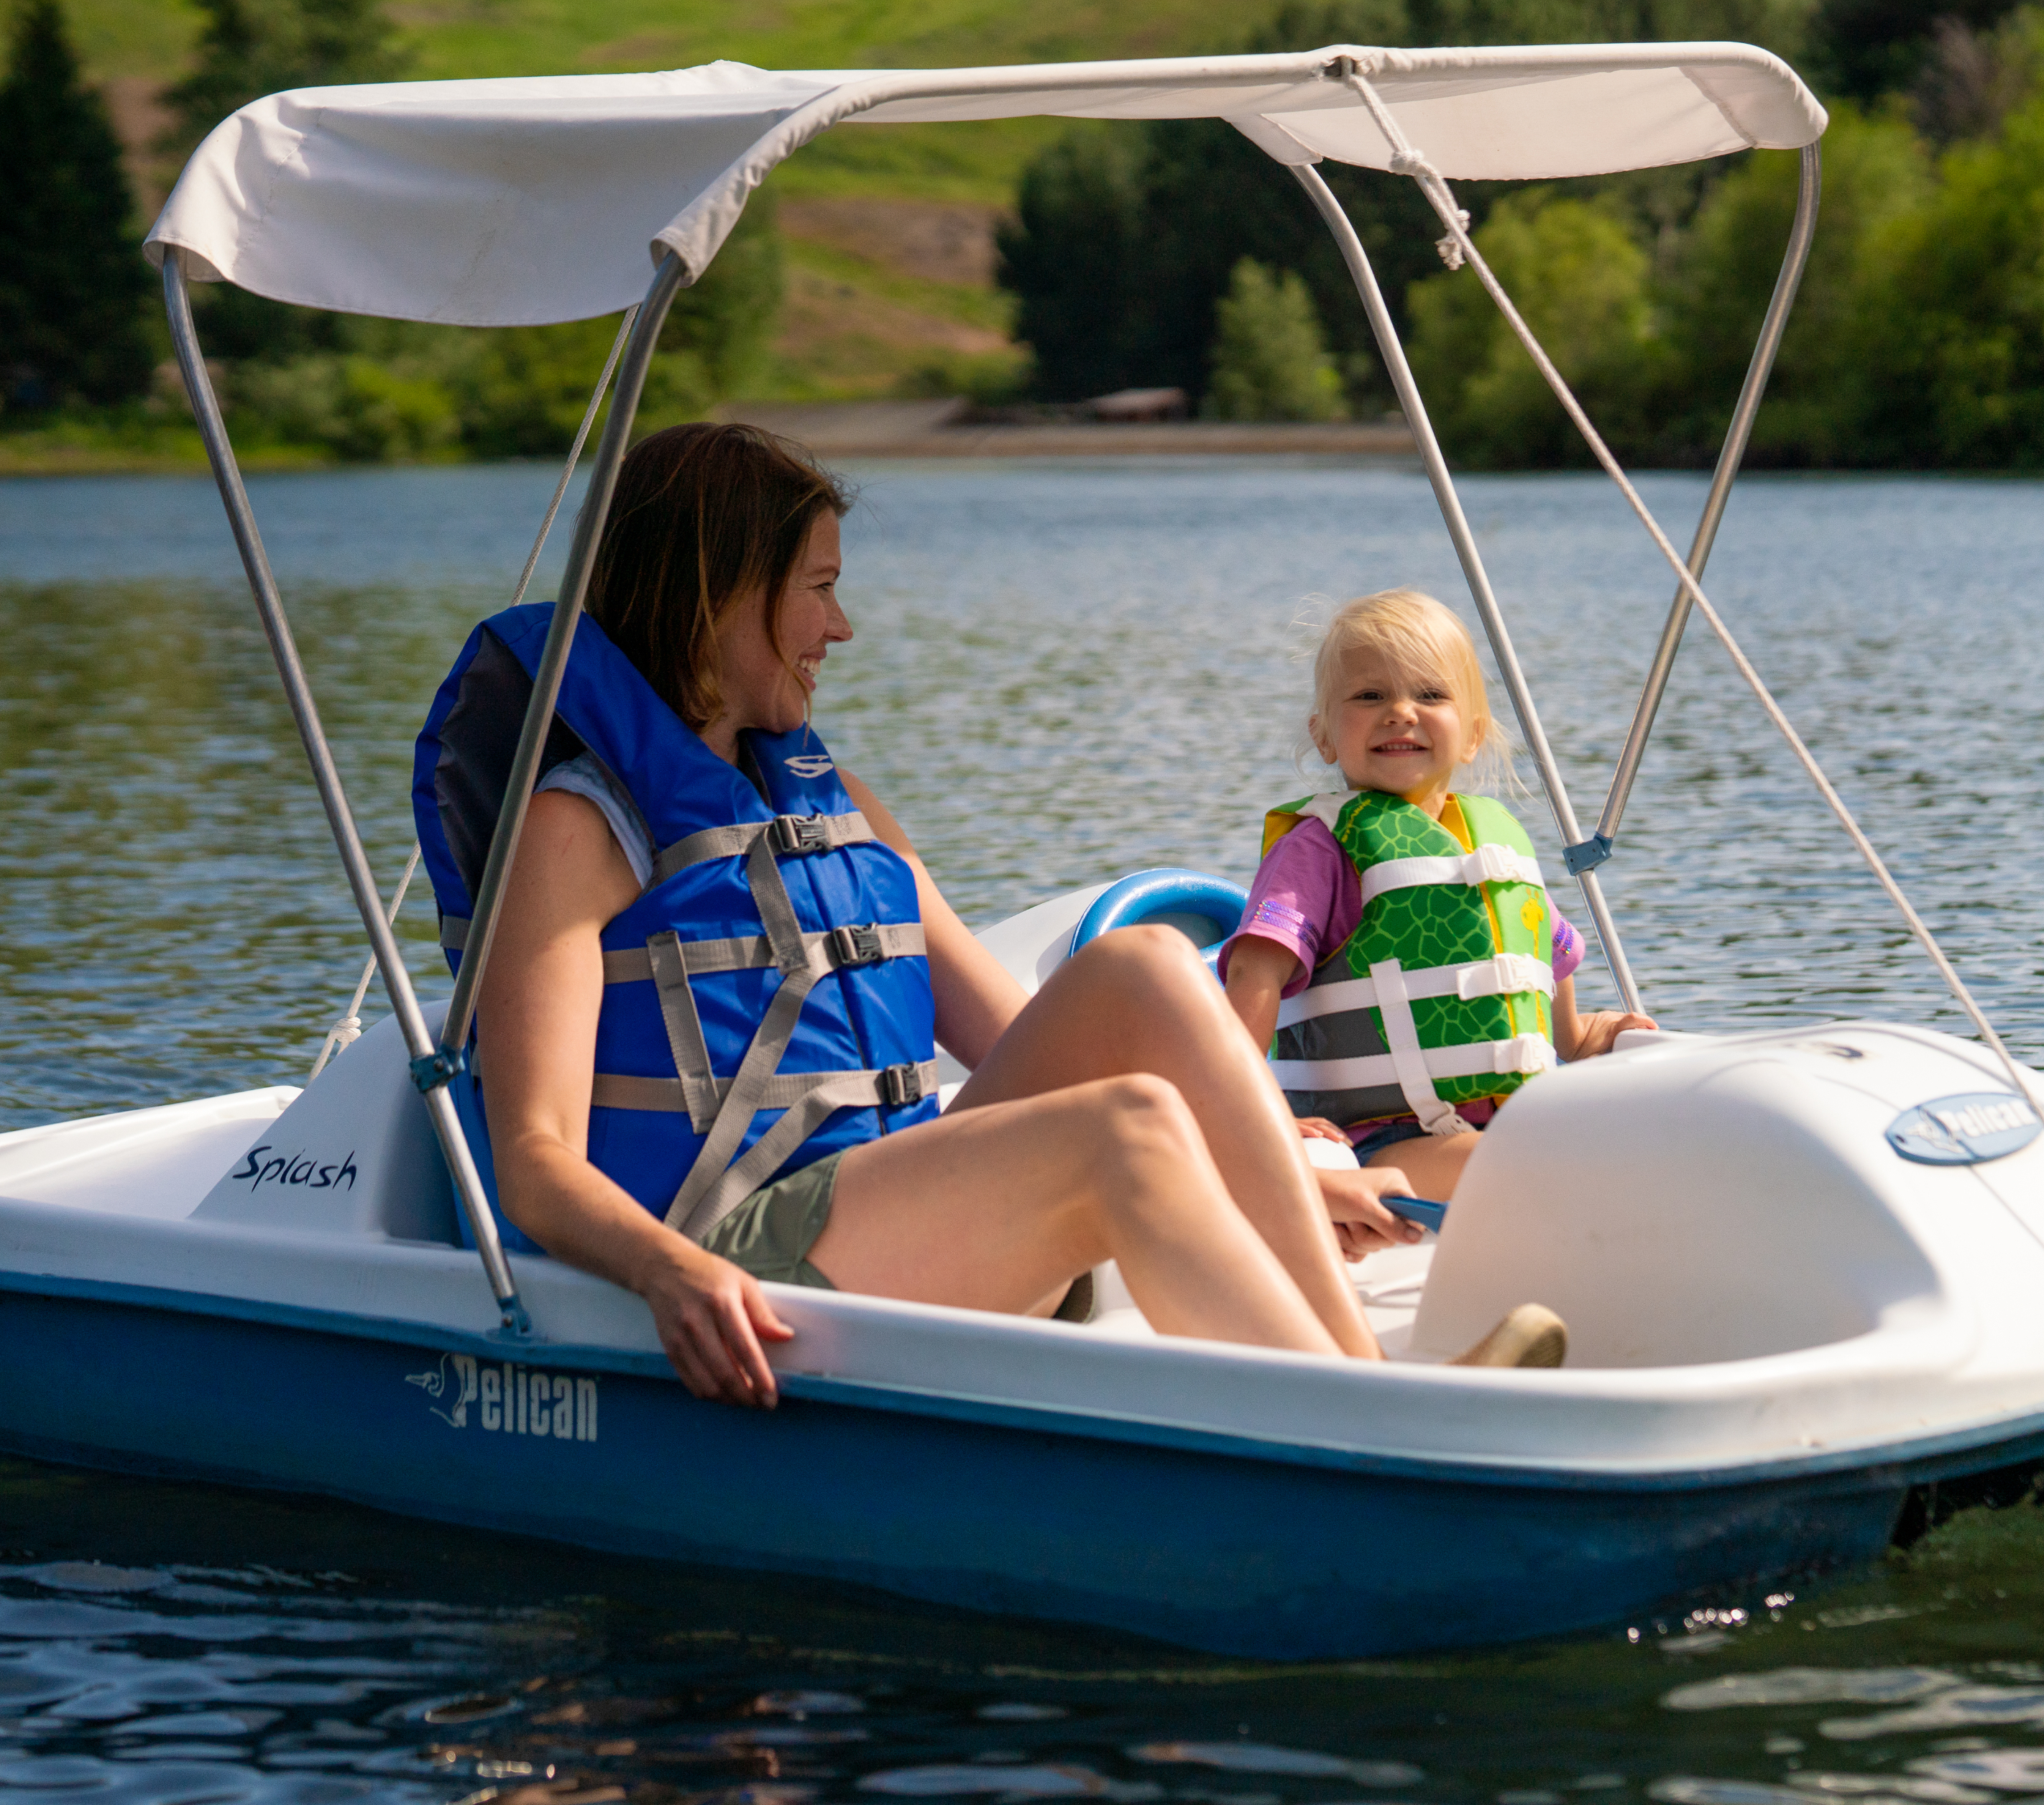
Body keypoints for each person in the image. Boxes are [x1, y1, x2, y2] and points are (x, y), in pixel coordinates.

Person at [415, 425, 1560, 1409]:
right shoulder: (578, 829)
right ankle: (1363, 1426)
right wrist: (670, 1276)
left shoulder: (833, 805)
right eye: (818, 587)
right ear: (719, 592)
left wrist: (1286, 1172)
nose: (842, 626)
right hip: (740, 1261)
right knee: (1124, 1127)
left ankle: (1367, 1383)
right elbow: (532, 1164)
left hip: (906, 1216)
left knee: (1148, 967)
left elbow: (1046, 1036)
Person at [1220, 591, 1655, 1207]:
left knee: (1644, 1146)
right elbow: (1252, 971)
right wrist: (1251, 1114)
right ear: (1323, 736)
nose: (1401, 712)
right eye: (1370, 696)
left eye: (1430, 695)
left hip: (1497, 1130)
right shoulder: (1319, 850)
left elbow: (1540, 955)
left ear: (1473, 735)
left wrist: (1579, 1040)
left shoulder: (1490, 842)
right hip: (1375, 1143)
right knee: (1547, 1167)